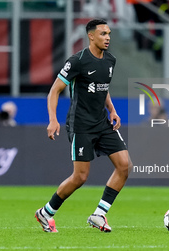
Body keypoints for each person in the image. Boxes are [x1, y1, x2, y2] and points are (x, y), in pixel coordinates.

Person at [35, 19, 132, 233]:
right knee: (80, 177)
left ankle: (99, 214)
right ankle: (46, 212)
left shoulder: (110, 60)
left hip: (102, 122)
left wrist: (112, 110)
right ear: (91, 36)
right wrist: (53, 119)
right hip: (81, 125)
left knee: (124, 165)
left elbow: (102, 87)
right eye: (103, 34)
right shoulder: (77, 61)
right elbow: (55, 90)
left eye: (109, 34)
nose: (107, 37)